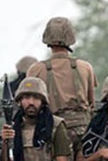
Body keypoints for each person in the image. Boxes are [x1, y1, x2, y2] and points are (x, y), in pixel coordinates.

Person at [27, 16, 98, 153]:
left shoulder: (35, 69)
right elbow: (91, 103)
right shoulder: (85, 67)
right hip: (83, 132)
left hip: (51, 131)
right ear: (71, 37)